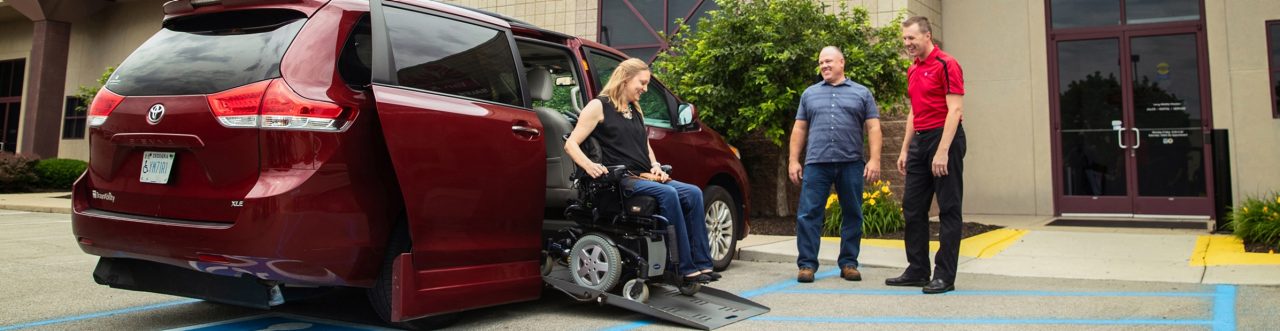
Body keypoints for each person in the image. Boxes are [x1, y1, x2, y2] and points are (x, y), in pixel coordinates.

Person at [563, 58, 719, 283]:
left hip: (645, 175)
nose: (645, 89)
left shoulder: (635, 109)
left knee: (693, 192)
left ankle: (703, 264)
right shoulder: (598, 106)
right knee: (669, 194)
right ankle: (682, 268)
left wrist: (656, 166)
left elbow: (646, 147)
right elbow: (571, 144)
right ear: (626, 79)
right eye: (642, 83)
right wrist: (589, 166)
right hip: (620, 181)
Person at [885, 16, 967, 294]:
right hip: (920, 140)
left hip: (945, 139)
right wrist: (906, 148)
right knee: (912, 207)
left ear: (927, 36)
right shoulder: (913, 69)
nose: (907, 43)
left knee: (948, 208)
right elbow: (914, 111)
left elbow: (954, 110)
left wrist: (943, 151)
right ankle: (918, 269)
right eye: (904, 39)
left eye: (911, 38)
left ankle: (945, 275)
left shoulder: (947, 64)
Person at [788, 46, 882, 283]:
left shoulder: (862, 93)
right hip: (816, 163)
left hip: (850, 162)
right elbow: (799, 128)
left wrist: (874, 159)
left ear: (842, 62)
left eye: (829, 61)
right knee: (809, 214)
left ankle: (849, 263)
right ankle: (807, 265)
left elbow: (873, 127)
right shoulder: (809, 94)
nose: (824, 66)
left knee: (852, 213)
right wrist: (793, 160)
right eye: (821, 62)